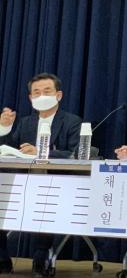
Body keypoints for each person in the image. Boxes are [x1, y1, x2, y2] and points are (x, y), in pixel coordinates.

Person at [0, 72, 82, 277]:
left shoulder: (72, 121)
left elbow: (76, 153)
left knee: (46, 199)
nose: (41, 96)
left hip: (57, 183)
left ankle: (41, 256)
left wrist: (41, 152)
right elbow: (8, 150)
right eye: (36, 92)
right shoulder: (26, 122)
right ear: (30, 98)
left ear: (58, 95)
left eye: (47, 91)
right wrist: (4, 128)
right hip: (22, 182)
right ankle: (2, 258)